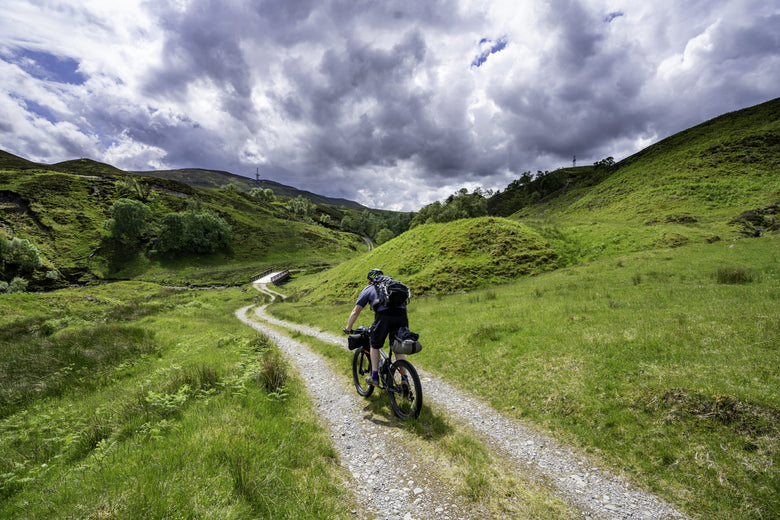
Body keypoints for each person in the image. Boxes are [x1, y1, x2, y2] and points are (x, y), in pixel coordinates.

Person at [344, 268, 407, 386]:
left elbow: (355, 311)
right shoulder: (393, 285)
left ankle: (374, 377)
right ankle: (405, 379)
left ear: (370, 280)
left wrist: (348, 328)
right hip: (402, 315)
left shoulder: (369, 288)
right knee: (398, 346)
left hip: (383, 317)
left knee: (374, 344)